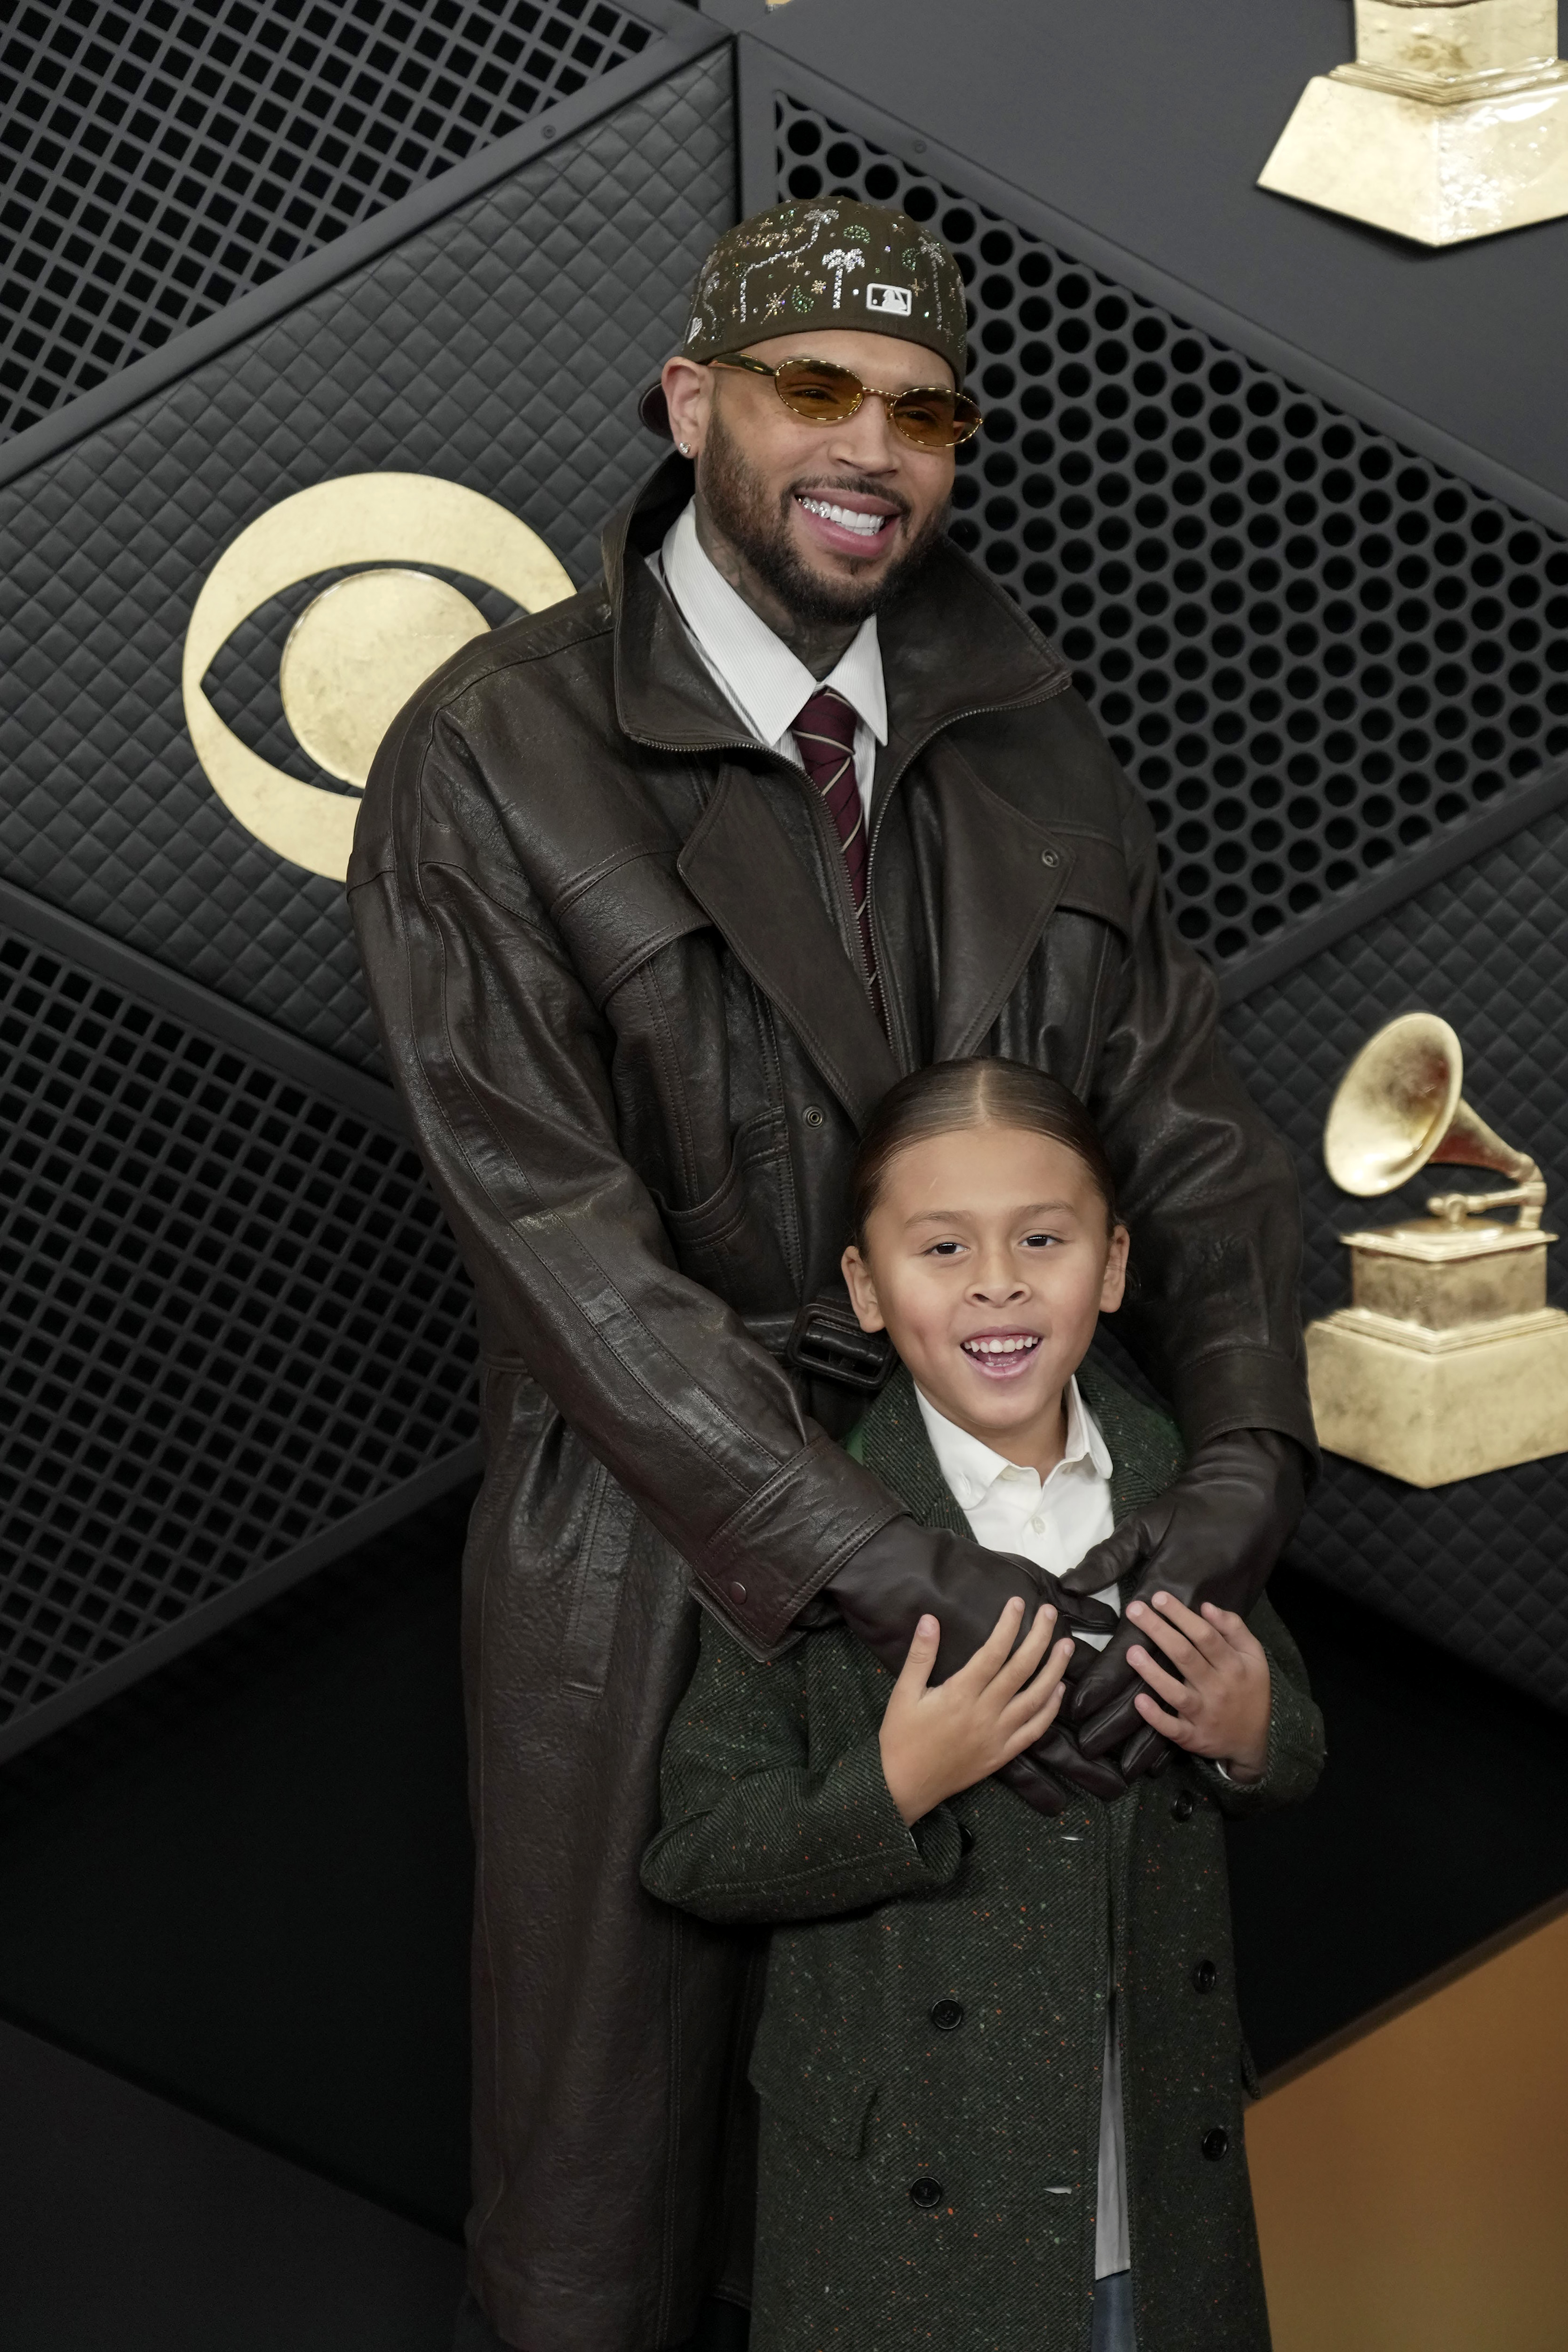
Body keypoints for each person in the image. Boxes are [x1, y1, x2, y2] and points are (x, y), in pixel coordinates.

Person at [350, 194, 1316, 2352]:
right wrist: (894, 1567)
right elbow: (563, 1257)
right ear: (694, 403)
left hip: (1034, 1539)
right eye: (813, 391)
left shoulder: (1037, 733)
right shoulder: (488, 752)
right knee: (623, 2209)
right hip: (659, 1562)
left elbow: (1202, 1141)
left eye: (921, 408)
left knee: (995, 2155)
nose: (870, 444)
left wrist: (1243, 1463)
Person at [643, 1059, 1325, 2352]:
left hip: (1150, 2189)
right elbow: (697, 1849)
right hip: (910, 2213)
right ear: (864, 1284)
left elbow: (1290, 1737)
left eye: (1043, 1240)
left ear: (1112, 1266)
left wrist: (1250, 1731)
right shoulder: (827, 1522)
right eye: (943, 1245)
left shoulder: (1173, 1480)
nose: (997, 1281)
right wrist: (897, 1780)